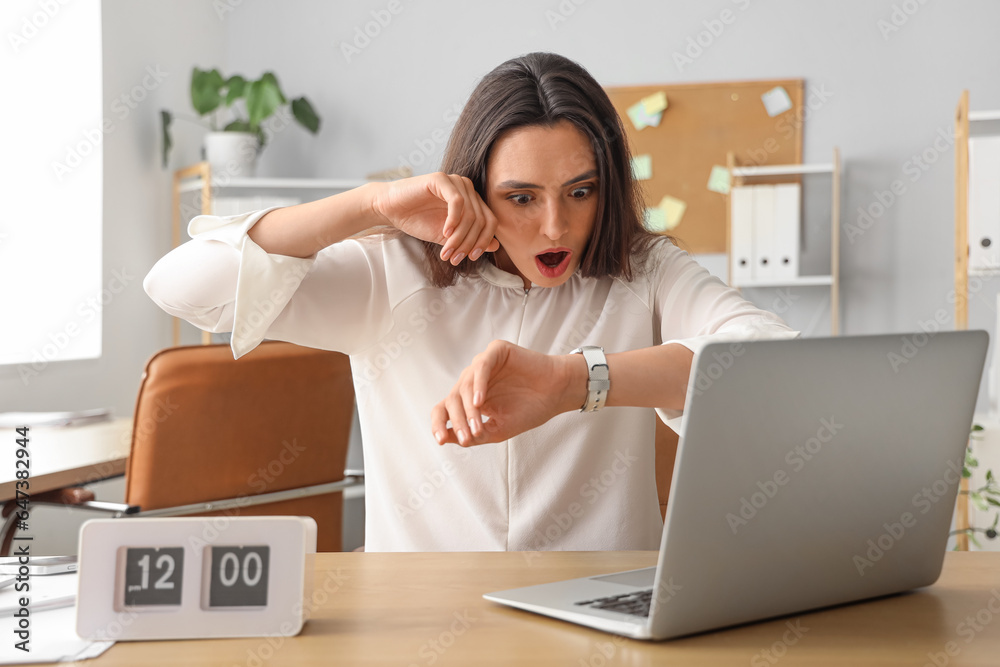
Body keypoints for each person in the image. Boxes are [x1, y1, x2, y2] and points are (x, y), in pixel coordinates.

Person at [144, 52, 797, 552]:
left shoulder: (643, 268)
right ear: (475, 187)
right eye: (521, 196)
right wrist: (369, 206)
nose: (554, 227)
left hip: (601, 614)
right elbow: (182, 285)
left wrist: (577, 380)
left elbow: (772, 363)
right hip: (423, 620)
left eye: (580, 191)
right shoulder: (392, 269)